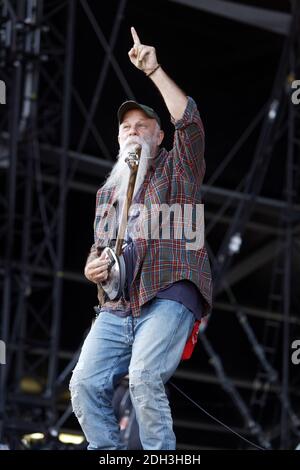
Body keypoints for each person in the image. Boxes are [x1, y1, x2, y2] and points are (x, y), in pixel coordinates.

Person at [69, 27, 212, 450]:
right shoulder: (107, 193)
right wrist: (91, 268)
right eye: (126, 127)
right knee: (83, 384)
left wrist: (154, 71)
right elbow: (102, 254)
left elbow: (189, 121)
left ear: (158, 135)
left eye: (142, 125)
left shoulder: (177, 168)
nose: (132, 131)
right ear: (118, 139)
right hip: (118, 306)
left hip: (168, 294)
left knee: (145, 378)